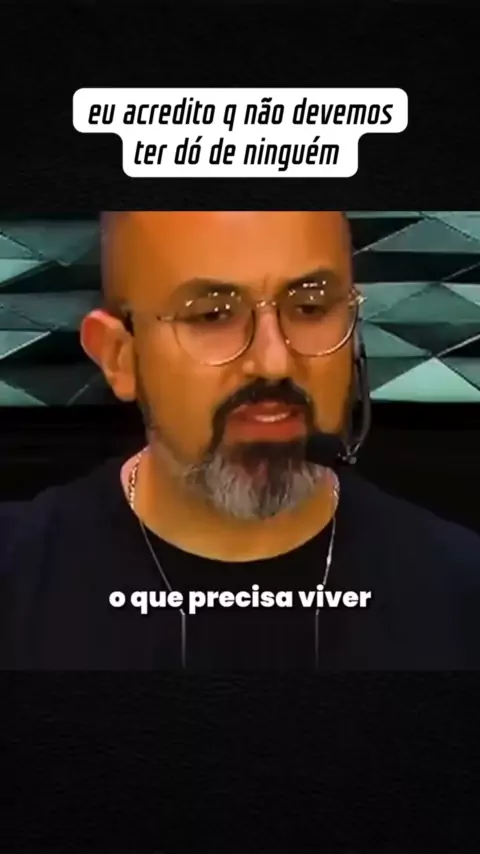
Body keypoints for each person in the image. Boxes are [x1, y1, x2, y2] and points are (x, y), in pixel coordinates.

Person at [1, 210, 480, 670]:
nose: (274, 363)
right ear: (118, 358)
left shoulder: (457, 590)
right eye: (212, 315)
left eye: (310, 307)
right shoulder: (17, 582)